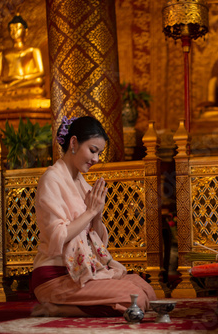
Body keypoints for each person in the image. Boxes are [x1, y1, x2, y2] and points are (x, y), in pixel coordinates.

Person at [31, 116, 156, 317]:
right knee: (137, 299)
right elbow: (58, 237)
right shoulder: (51, 179)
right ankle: (58, 307)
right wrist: (89, 212)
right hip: (55, 276)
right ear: (73, 143)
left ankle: (65, 307)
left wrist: (96, 215)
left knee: (148, 291)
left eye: (99, 153)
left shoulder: (82, 184)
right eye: (93, 150)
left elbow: (96, 243)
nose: (96, 159)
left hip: (84, 271)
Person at [0, 14, 44, 93]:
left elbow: (41, 72)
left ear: (26, 31)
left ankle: (8, 88)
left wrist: (21, 78)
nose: (14, 31)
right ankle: (9, 87)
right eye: (11, 29)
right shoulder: (3, 53)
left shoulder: (33, 50)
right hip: (6, 81)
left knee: (38, 81)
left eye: (18, 28)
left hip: (22, 81)